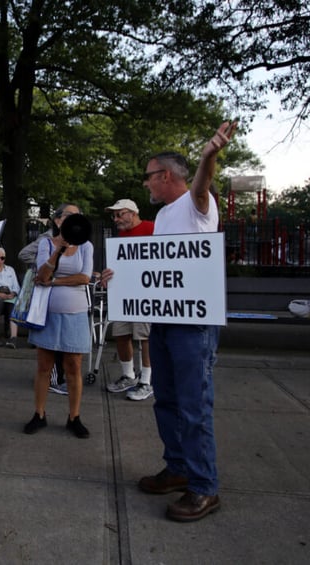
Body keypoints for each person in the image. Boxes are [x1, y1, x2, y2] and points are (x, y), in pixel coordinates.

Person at [105, 121, 237, 523]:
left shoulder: (199, 204)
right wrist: (120, 277)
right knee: (166, 400)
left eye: (148, 177)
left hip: (192, 327)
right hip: (163, 322)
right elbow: (153, 268)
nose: (145, 184)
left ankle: (203, 488)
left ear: (165, 176)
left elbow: (200, 185)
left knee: (194, 405)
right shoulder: (162, 217)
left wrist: (208, 155)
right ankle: (178, 467)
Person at [23, 203, 93, 439]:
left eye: (78, 215)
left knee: (73, 366)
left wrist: (54, 282)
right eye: (70, 215)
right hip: (48, 313)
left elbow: (84, 277)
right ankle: (39, 414)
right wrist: (57, 251)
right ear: (58, 221)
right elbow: (42, 274)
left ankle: (74, 417)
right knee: (44, 366)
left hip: (76, 313)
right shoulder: (46, 243)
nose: (75, 219)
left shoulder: (86, 246)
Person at [102, 199, 155, 401]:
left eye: (119, 214)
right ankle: (129, 375)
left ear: (132, 212)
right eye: (113, 215)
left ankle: (146, 381)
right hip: (123, 293)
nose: (116, 219)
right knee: (121, 334)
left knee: (144, 336)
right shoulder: (122, 234)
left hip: (145, 292)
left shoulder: (151, 228)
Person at [19, 205, 72, 395]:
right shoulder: (46, 239)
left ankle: (57, 377)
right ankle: (53, 378)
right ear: (57, 220)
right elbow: (23, 254)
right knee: (50, 340)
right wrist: (44, 265)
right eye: (69, 215)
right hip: (47, 294)